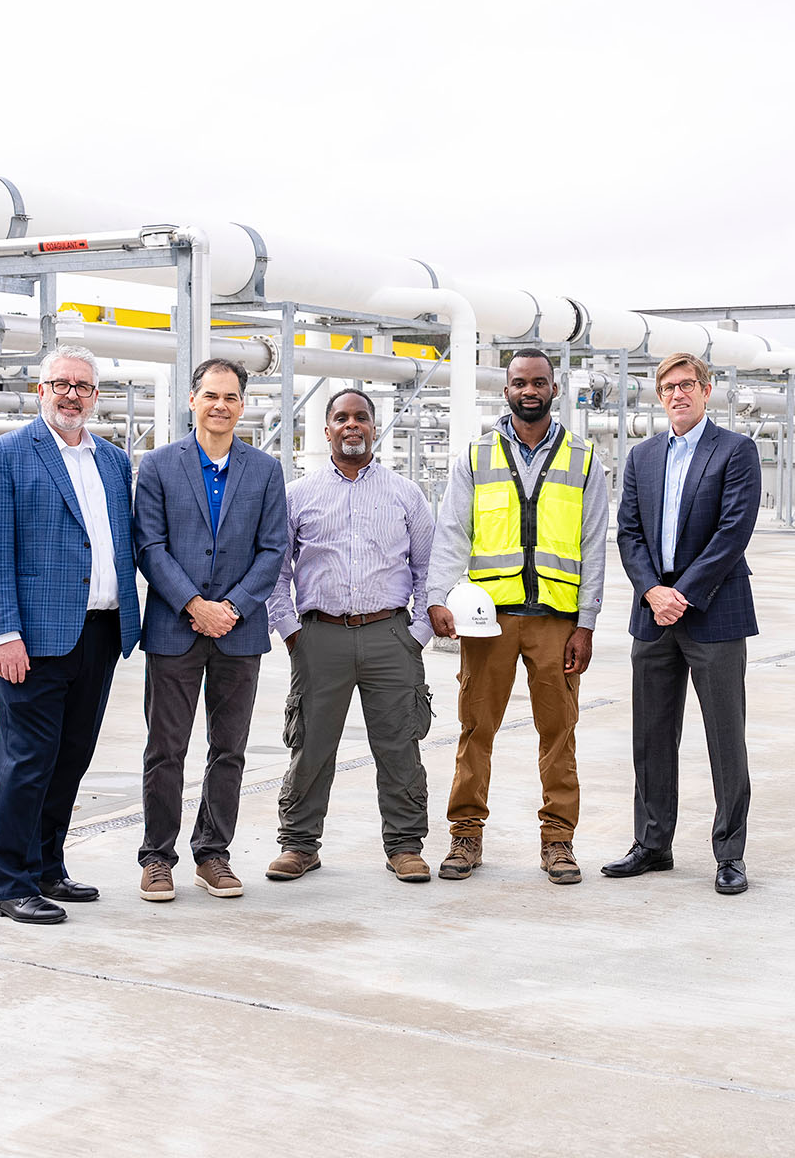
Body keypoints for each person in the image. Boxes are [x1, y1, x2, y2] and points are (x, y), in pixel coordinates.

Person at [0, 345, 142, 925]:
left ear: (96, 395)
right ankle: (8, 884)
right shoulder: (5, 454)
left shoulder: (113, 461)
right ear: (41, 389)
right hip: (33, 639)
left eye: (84, 386)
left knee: (72, 757)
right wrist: (2, 633)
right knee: (27, 760)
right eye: (61, 383)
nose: (72, 394)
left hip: (99, 633)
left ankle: (47, 867)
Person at [426, 349, 608, 885]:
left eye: (539, 382)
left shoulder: (583, 457)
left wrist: (587, 621)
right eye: (519, 383)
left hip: (556, 619)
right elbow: (452, 531)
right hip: (489, 620)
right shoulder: (477, 456)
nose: (529, 390)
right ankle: (465, 836)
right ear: (505, 390)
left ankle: (558, 841)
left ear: (554, 388)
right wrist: (439, 595)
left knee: (559, 732)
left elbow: (594, 544)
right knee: (475, 728)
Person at [264, 389, 436, 884]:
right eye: (342, 418)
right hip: (320, 637)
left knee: (399, 743)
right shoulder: (298, 495)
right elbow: (276, 572)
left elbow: (429, 570)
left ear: (374, 426)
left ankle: (404, 845)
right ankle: (298, 843)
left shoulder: (406, 494)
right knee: (311, 744)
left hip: (391, 636)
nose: (352, 425)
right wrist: (293, 633)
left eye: (361, 417)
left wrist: (417, 632)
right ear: (327, 430)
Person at [133, 357, 288, 902]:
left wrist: (234, 607)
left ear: (243, 406)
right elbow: (149, 547)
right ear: (192, 400)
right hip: (176, 627)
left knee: (229, 748)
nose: (220, 406)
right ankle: (157, 857)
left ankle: (213, 853)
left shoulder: (265, 470)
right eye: (210, 396)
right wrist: (195, 604)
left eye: (231, 398)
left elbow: (274, 550)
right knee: (165, 747)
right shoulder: (156, 466)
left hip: (240, 633)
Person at [605, 352, 760, 895]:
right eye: (668, 387)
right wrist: (652, 591)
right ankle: (652, 844)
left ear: (707, 389)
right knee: (650, 737)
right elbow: (628, 532)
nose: (678, 394)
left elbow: (733, 531)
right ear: (658, 395)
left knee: (724, 737)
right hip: (652, 615)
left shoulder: (735, 451)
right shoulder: (642, 457)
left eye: (687, 384)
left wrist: (683, 595)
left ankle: (729, 854)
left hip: (713, 612)